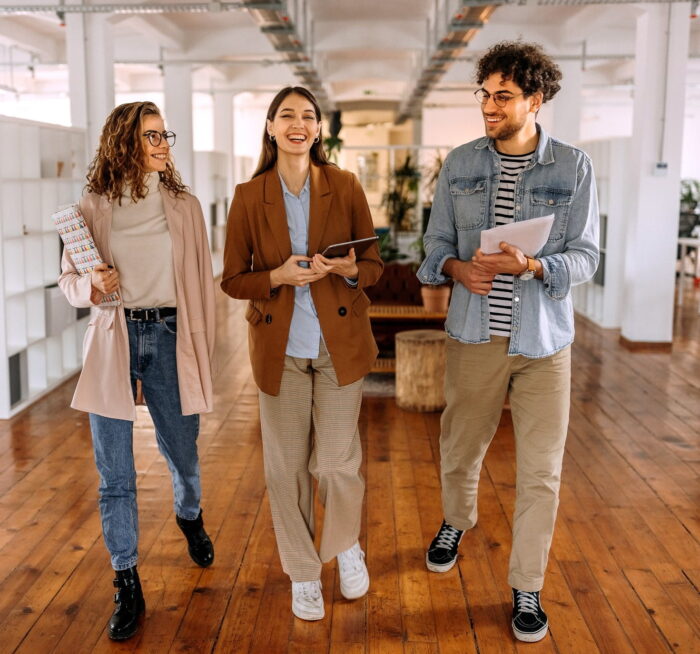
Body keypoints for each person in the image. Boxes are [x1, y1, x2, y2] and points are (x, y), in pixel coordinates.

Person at [417, 41, 599, 643]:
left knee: (541, 471)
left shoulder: (573, 167)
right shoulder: (460, 164)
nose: (489, 107)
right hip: (474, 334)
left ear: (535, 100)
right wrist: (455, 271)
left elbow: (586, 257)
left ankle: (527, 587)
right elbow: (434, 248)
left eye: (503, 97)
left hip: (545, 344)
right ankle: (456, 520)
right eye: (484, 94)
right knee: (460, 447)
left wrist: (534, 267)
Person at [221, 86, 383, 621]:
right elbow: (233, 280)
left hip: (339, 346)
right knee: (286, 468)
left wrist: (346, 268)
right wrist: (277, 276)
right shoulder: (249, 196)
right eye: (286, 115)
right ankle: (304, 573)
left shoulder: (346, 185)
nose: (298, 124)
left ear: (318, 129)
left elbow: (374, 265)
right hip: (281, 349)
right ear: (270, 127)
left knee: (337, 463)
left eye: (308, 116)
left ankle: (345, 546)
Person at [58, 101, 216, 641]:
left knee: (183, 452)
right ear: (124, 141)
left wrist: (205, 347)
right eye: (152, 135)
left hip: (172, 336)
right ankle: (126, 580)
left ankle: (189, 513)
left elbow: (201, 282)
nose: (163, 143)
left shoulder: (185, 206)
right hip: (114, 337)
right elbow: (69, 282)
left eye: (165, 134)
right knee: (115, 477)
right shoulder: (92, 206)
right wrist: (91, 286)